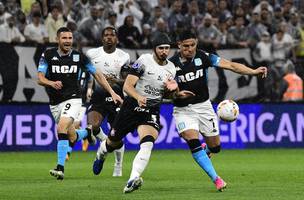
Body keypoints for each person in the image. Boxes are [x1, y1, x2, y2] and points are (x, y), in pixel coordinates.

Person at [169, 30, 267, 191]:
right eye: (186, 46)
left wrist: (253, 71)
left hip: (204, 107)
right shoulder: (171, 64)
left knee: (215, 147)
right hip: (183, 110)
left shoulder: (204, 56)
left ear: (196, 43)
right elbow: (165, 92)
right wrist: (175, 94)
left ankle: (206, 150)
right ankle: (217, 179)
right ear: (179, 45)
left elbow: (231, 65)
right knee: (192, 142)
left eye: (193, 45)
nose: (190, 49)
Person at [92, 33, 178, 193]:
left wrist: (174, 91)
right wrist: (138, 97)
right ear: (154, 49)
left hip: (151, 109)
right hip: (131, 107)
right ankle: (101, 155)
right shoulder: (143, 61)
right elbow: (127, 86)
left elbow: (168, 95)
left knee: (147, 143)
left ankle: (133, 178)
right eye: (161, 48)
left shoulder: (171, 68)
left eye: (167, 48)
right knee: (112, 142)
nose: (164, 51)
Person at [37, 27, 123, 180]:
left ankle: (60, 168)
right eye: (64, 38)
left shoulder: (79, 57)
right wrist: (51, 83)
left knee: (61, 127)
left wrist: (112, 92)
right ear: (58, 39)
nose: (68, 41)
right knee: (71, 136)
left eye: (70, 38)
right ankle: (87, 133)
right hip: (55, 103)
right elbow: (40, 78)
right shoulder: (48, 55)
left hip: (73, 99)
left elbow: (98, 74)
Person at [86, 26, 130, 177]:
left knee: (116, 136)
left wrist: (116, 80)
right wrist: (89, 88)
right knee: (93, 126)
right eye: (106, 35)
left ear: (117, 39)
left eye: (112, 35)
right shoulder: (92, 54)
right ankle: (105, 141)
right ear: (102, 38)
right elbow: (89, 74)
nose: (109, 37)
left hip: (116, 97)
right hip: (98, 96)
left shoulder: (124, 56)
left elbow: (127, 79)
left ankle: (118, 165)